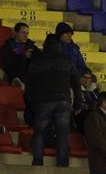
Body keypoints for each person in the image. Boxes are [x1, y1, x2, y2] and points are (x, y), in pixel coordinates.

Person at [27, 34, 78, 167]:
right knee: (63, 134)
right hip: (63, 100)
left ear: (45, 45)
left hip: (43, 101)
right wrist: (78, 102)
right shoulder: (67, 59)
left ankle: (37, 162)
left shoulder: (38, 60)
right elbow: (76, 83)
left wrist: (30, 103)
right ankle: (62, 165)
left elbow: (30, 84)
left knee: (39, 133)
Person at [0, 22, 37, 88]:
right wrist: (23, 56)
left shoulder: (31, 46)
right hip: (14, 74)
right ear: (15, 33)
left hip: (29, 75)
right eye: (23, 33)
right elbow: (6, 65)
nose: (26, 36)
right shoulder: (7, 47)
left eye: (27, 33)